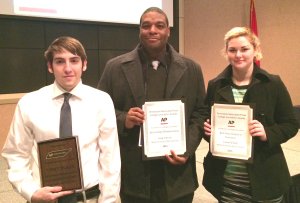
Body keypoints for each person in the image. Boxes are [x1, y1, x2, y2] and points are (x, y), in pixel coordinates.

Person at [97, 7, 206, 203]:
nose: (152, 30)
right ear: (139, 30)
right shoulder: (115, 67)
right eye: (146, 26)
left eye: (159, 25)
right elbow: (99, 111)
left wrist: (187, 149)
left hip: (177, 173)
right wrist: (124, 119)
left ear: (168, 31)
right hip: (134, 173)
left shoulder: (192, 68)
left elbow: (200, 113)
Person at [1, 36, 121, 203]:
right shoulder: (29, 103)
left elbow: (110, 158)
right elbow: (15, 153)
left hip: (89, 198)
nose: (68, 68)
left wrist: (107, 200)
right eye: (59, 62)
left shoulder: (101, 101)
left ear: (84, 64)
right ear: (50, 66)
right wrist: (31, 192)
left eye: (74, 60)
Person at [202, 27, 299, 203]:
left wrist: (267, 133)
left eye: (245, 49)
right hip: (227, 179)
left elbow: (291, 123)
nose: (238, 54)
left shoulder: (273, 83)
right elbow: (206, 121)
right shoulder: (215, 85)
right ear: (226, 52)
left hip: (265, 176)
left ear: (256, 50)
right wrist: (207, 130)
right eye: (232, 50)